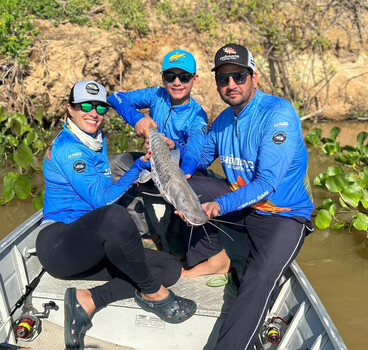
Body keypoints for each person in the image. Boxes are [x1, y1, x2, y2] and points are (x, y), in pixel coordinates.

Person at [36, 80, 196, 349]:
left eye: (100, 107)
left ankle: (89, 299)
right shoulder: (68, 148)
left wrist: (147, 161)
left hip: (92, 242)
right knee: (114, 216)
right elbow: (101, 200)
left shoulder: (95, 140)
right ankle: (154, 293)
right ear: (70, 109)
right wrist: (136, 169)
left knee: (169, 268)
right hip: (59, 245)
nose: (93, 112)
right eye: (85, 105)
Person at [177, 44, 314, 349]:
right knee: (189, 185)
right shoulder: (225, 120)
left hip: (282, 214)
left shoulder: (278, 114)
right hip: (242, 207)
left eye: (238, 76)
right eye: (223, 80)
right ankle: (215, 259)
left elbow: (267, 183)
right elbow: (198, 159)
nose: (231, 85)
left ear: (254, 77)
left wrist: (217, 205)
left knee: (257, 279)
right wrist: (168, 155)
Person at [107, 49, 207, 254]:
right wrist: (138, 119)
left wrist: (176, 149)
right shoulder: (156, 95)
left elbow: (195, 155)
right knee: (113, 165)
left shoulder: (198, 116)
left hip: (179, 170)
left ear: (194, 80)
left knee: (193, 186)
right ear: (163, 78)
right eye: (170, 76)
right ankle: (147, 232)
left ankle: (176, 231)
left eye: (184, 77)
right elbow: (114, 97)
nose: (177, 82)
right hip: (150, 160)